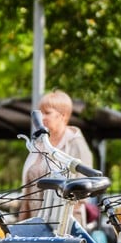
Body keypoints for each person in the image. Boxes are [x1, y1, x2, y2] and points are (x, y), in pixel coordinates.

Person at [23, 90, 95, 220]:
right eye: (41, 112)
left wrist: (57, 222)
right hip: (34, 222)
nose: (42, 117)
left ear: (63, 116)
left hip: (64, 224)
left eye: (47, 113)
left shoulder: (76, 144)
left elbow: (83, 191)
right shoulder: (39, 144)